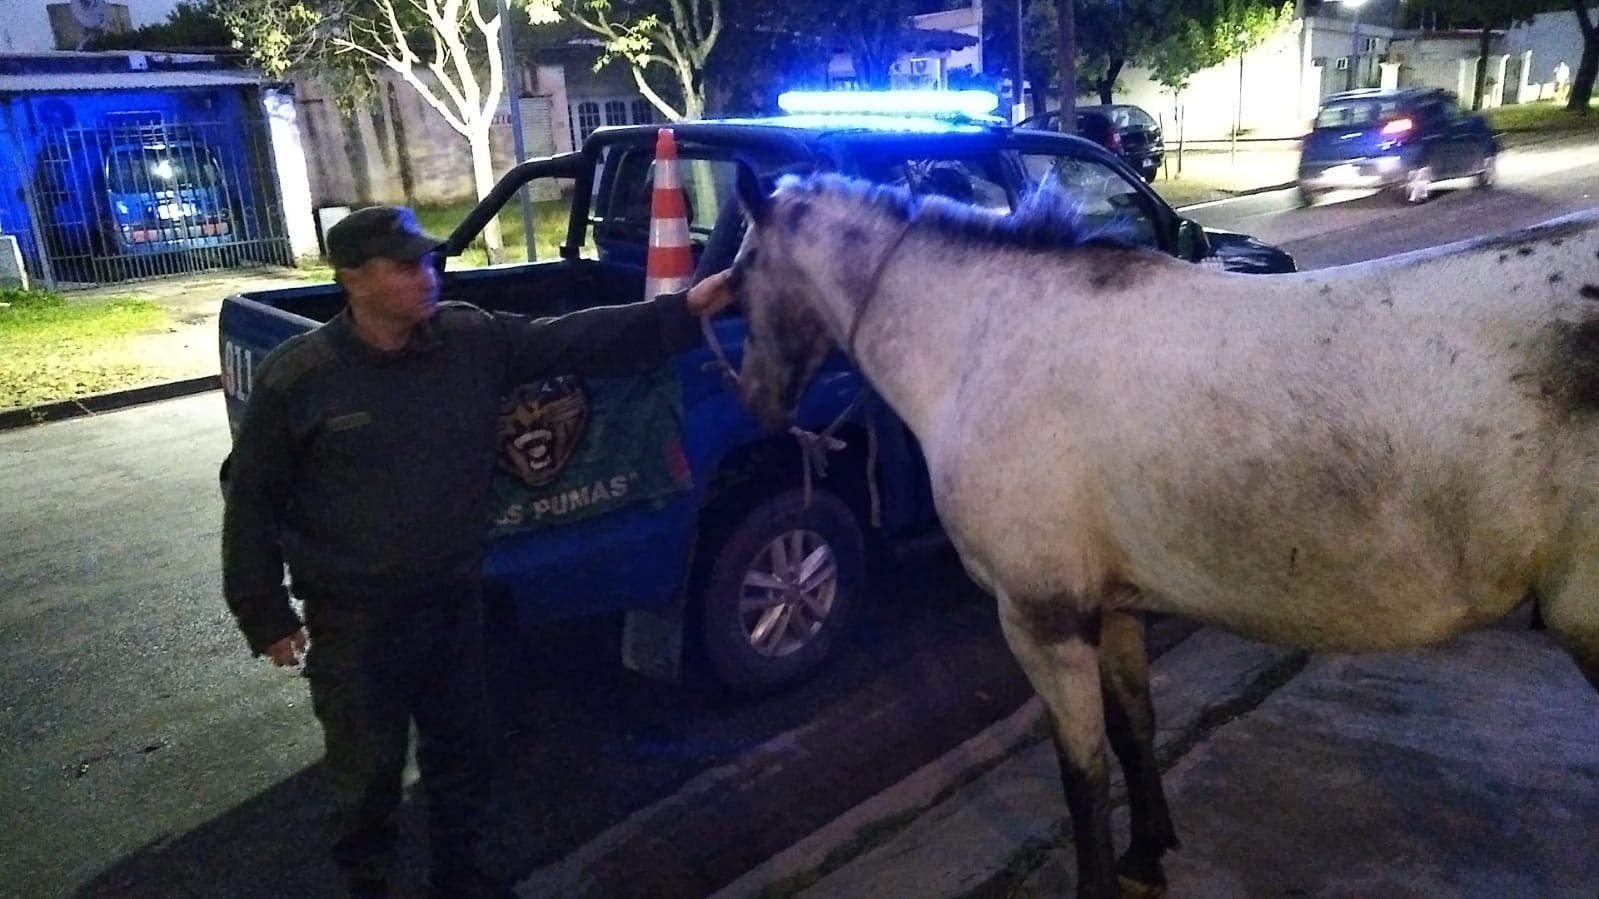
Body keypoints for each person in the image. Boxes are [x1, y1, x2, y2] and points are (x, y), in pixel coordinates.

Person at [221, 204, 735, 899]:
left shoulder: (466, 338)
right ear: (351, 278)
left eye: (429, 260)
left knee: (462, 756)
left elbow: (570, 339)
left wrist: (681, 311)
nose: (426, 275)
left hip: (456, 601)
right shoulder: (302, 378)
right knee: (366, 778)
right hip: (357, 622)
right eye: (405, 266)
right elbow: (251, 497)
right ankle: (368, 884)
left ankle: (458, 879)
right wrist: (265, 613)